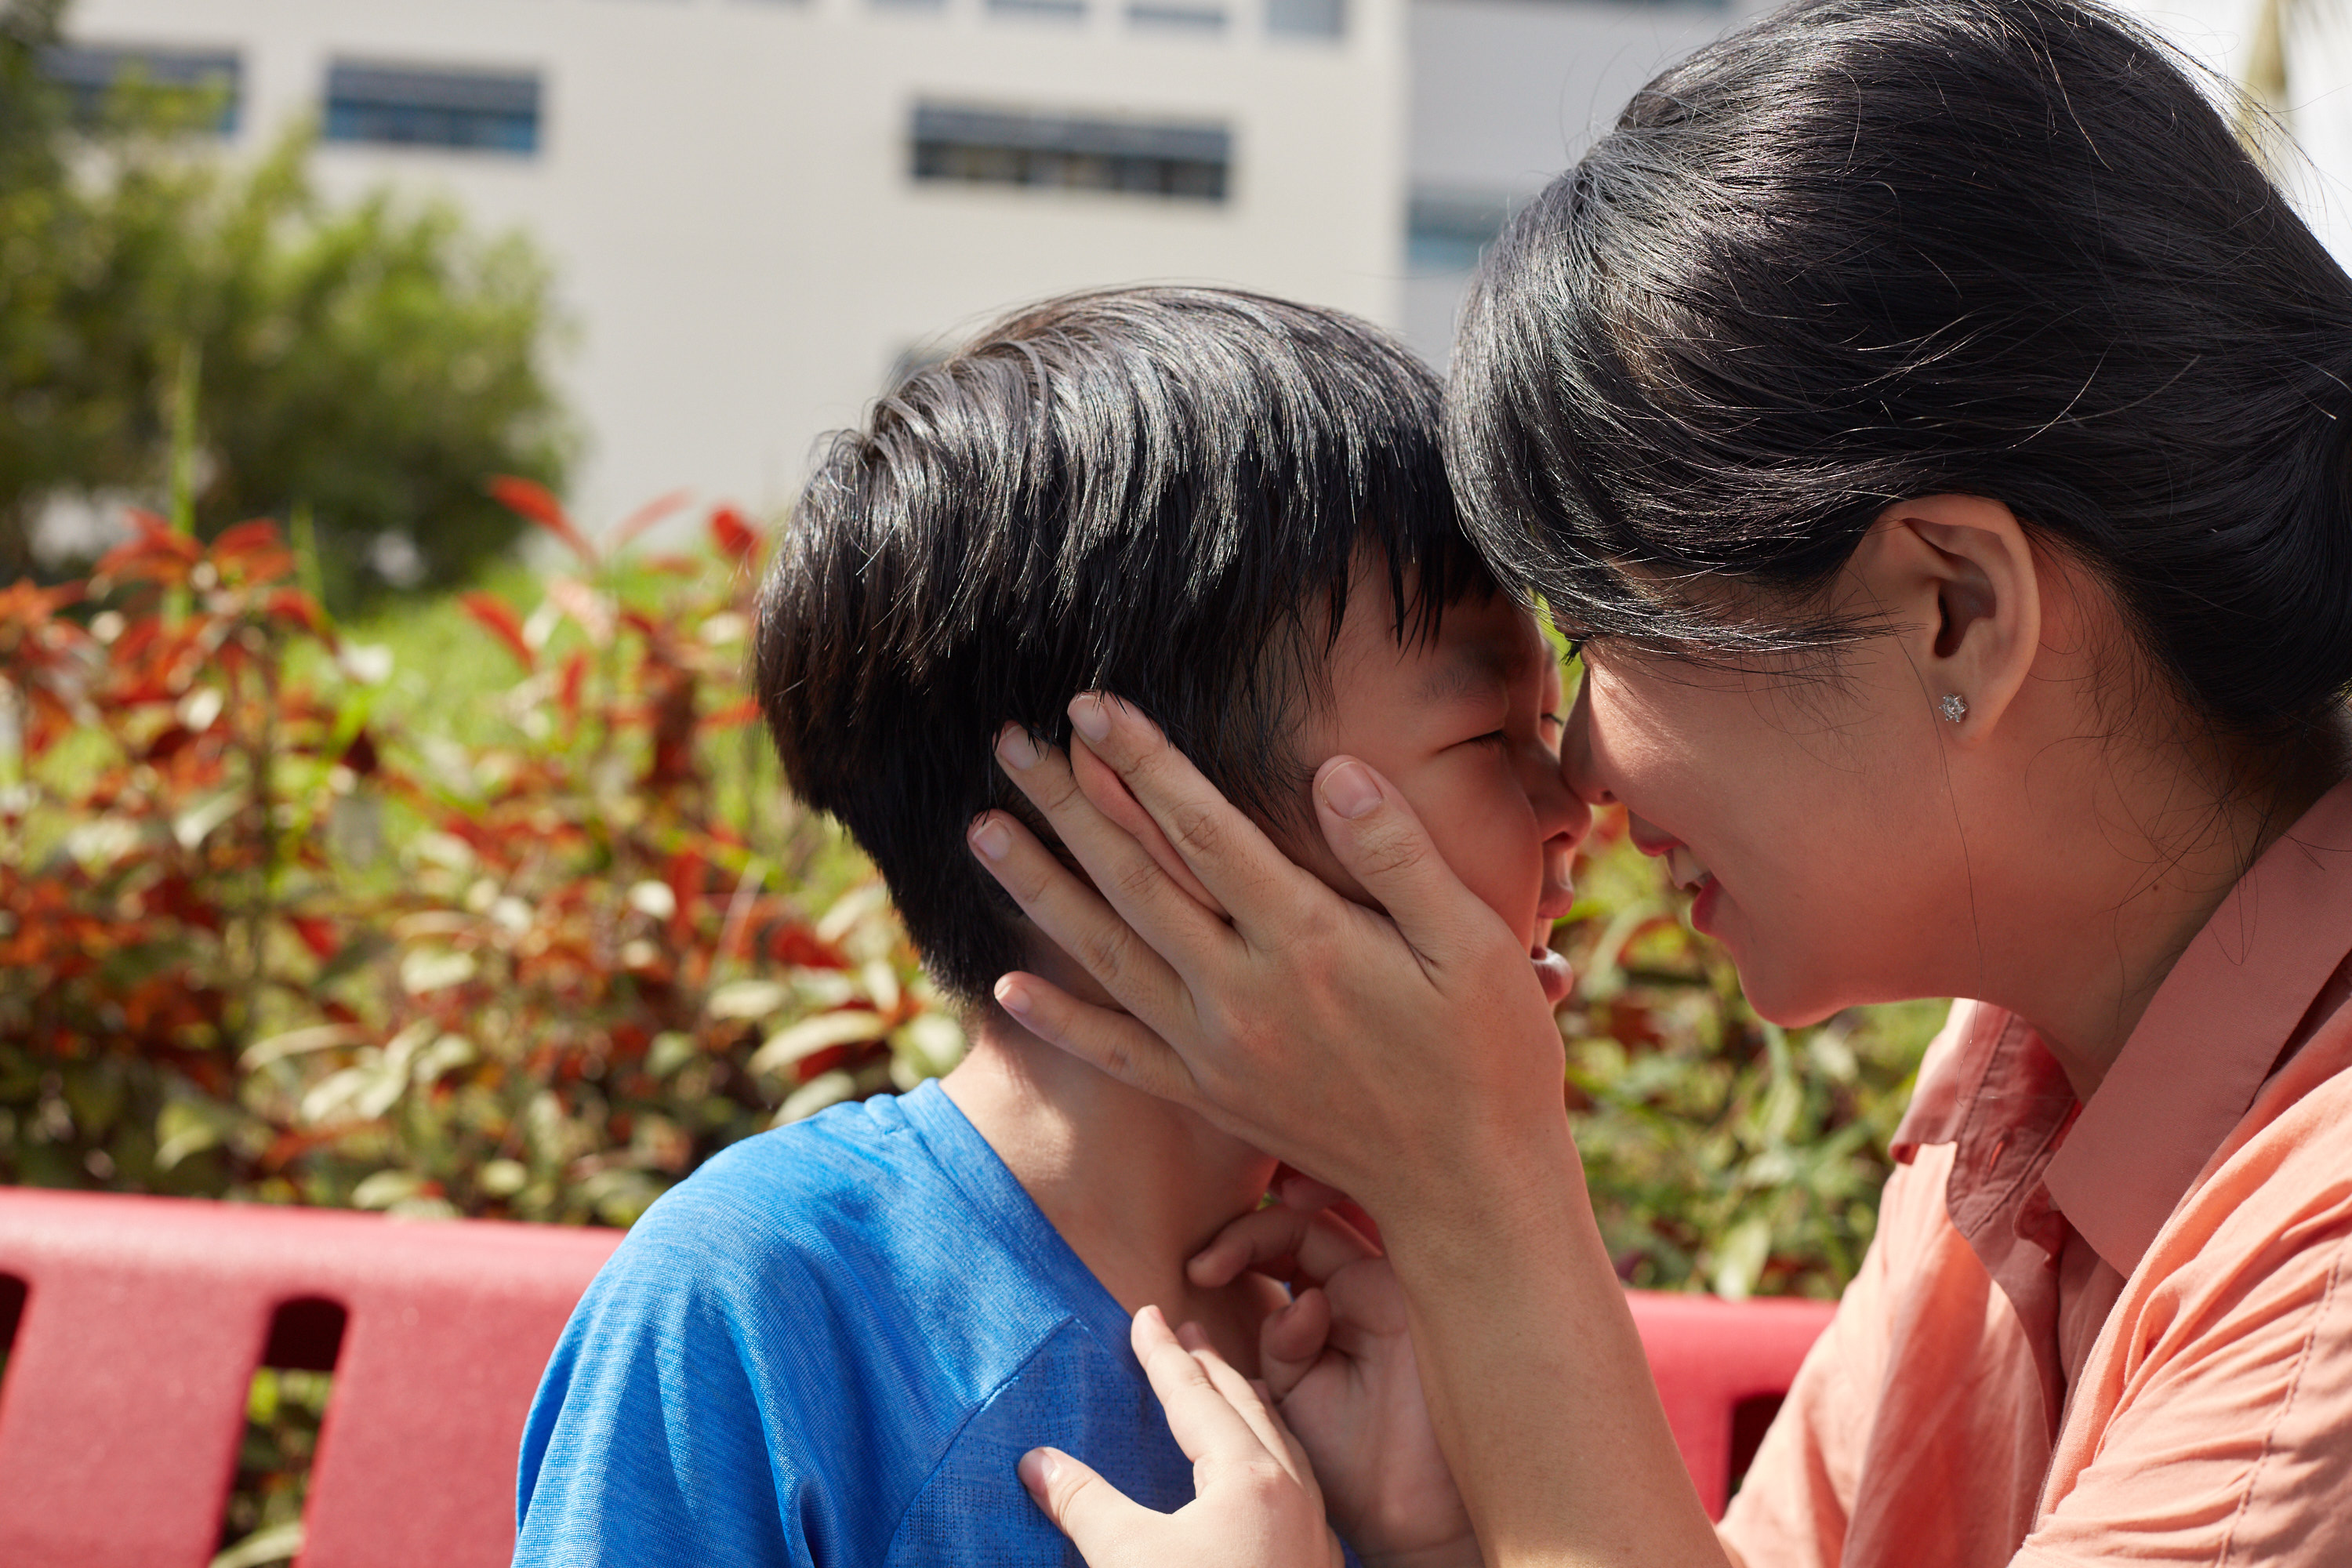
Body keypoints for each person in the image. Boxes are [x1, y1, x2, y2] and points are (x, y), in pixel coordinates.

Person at [960, 2, 2352, 1563]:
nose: (1581, 770)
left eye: (1604, 632)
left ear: (1957, 607)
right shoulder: (2024, 1067)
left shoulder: (2324, 1282)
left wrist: (1476, 1178)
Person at [509, 286, 1581, 1566]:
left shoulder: (1409, 1315)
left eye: (1553, 735)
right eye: (1489, 738)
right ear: (1136, 817)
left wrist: (1429, 1544)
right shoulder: (768, 1307)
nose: (1577, 808)